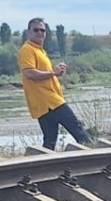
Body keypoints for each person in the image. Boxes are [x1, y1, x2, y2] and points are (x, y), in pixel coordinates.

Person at [18, 18, 92, 149]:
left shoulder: (39, 50)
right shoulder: (27, 49)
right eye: (36, 30)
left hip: (44, 104)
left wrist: (55, 72)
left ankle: (43, 168)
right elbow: (29, 73)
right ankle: (95, 159)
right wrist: (53, 73)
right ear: (28, 32)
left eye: (43, 30)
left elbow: (43, 73)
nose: (40, 33)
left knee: (50, 141)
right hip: (50, 101)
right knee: (79, 130)